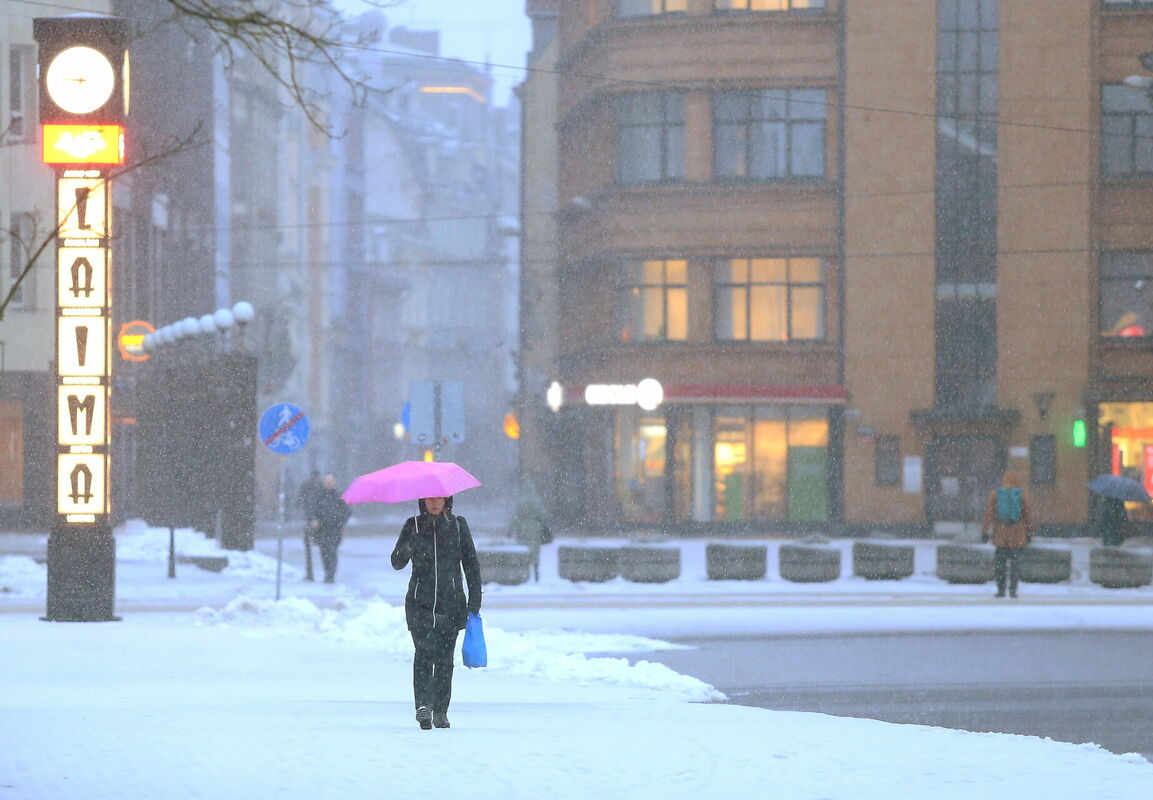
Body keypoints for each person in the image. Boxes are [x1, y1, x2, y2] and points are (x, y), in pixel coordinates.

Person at [391, 496, 482, 730]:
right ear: (422, 501)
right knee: (423, 655)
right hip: (419, 604)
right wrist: (408, 546)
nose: (433, 502)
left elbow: (471, 565)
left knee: (444, 660)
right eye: (429, 498)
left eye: (438, 498)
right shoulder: (413, 525)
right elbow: (396, 562)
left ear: (447, 500)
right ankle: (423, 706)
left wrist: (474, 601)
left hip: (451, 604)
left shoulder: (458, 526)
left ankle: (440, 710)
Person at [980, 471, 1033, 599]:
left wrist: (985, 531)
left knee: (1000, 563)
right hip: (1017, 533)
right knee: (1015, 564)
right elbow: (1028, 515)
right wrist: (1029, 532)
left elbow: (989, 513)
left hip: (1001, 533)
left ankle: (1001, 590)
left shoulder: (997, 494)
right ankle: (1013, 590)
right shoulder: (1021, 494)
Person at [308, 474, 351, 583]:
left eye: (331, 481)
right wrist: (314, 520)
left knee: (332, 552)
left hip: (334, 530)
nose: (329, 483)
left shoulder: (339, 496)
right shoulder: (319, 496)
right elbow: (312, 511)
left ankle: (330, 575)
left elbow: (346, 512)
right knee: (324, 553)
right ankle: (327, 573)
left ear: (334, 483)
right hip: (321, 530)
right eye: (327, 481)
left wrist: (339, 522)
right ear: (324, 482)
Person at [508, 481, 551, 582]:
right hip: (535, 528)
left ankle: (524, 574)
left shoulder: (521, 501)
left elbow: (516, 517)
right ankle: (536, 573)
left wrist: (511, 529)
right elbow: (544, 515)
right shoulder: (537, 501)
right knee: (535, 551)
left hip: (522, 529)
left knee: (524, 550)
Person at [296, 470, 323, 581]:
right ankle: (325, 573)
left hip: (312, 519)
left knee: (309, 548)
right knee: (322, 548)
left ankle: (310, 573)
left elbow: (298, 501)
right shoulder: (320, 487)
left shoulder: (306, 485)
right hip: (318, 520)